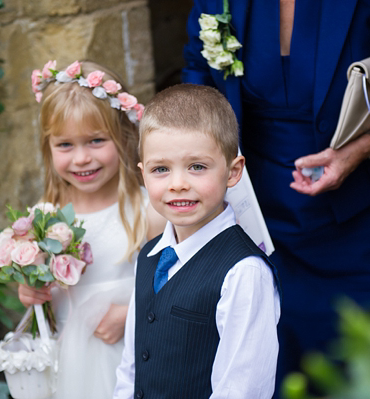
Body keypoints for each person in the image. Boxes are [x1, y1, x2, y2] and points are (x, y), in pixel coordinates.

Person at [182, 0, 370, 392]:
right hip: (253, 211)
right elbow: (197, 74)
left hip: (362, 209)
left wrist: (361, 148)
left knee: (358, 360)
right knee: (270, 357)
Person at [113, 84, 281, 399]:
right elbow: (131, 367)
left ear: (233, 171)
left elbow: (240, 390)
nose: (178, 184)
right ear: (143, 175)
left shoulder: (243, 272)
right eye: (161, 169)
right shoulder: (149, 256)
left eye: (197, 167)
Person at [17, 60, 165, 399]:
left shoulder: (147, 212)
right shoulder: (44, 218)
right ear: (48, 148)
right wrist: (30, 294)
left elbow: (180, 284)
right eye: (65, 145)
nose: (82, 158)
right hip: (71, 369)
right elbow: (46, 293)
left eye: (96, 140)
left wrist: (133, 314)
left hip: (133, 360)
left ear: (123, 136)